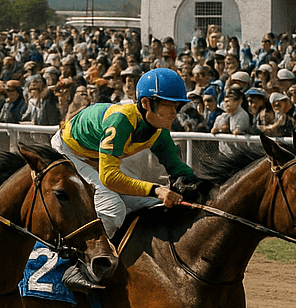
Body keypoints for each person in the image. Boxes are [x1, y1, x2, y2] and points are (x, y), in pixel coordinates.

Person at [52, 67, 198, 237]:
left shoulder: (159, 131)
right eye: (167, 104)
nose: (174, 112)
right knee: (113, 209)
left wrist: (200, 185)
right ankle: (77, 258)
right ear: (145, 103)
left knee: (151, 204)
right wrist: (156, 189)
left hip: (96, 156)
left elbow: (176, 167)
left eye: (177, 105)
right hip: (69, 152)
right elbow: (109, 177)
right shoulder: (121, 121)